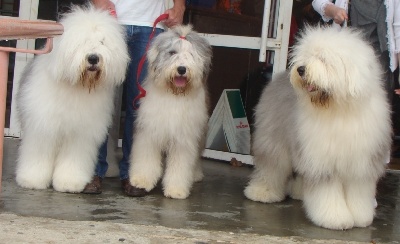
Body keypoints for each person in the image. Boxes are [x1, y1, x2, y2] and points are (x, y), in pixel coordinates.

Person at [82, 0, 186, 196]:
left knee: (140, 106)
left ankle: (133, 174)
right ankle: (92, 171)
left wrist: (179, 6)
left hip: (150, 24)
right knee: (95, 103)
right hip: (107, 21)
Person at [312, 0, 400, 100]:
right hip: (346, 59)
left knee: (378, 104)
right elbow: (317, 2)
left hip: (382, 62)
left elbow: (399, 30)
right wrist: (334, 10)